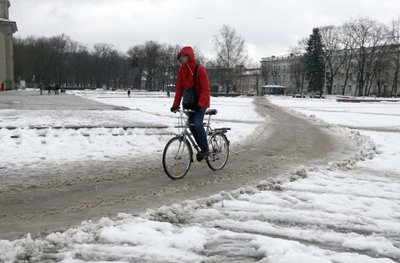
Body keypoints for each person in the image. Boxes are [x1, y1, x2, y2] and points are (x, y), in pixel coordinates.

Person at [170, 46, 210, 161]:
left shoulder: (200, 69)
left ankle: (205, 149)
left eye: (184, 56)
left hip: (201, 103)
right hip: (190, 103)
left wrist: (201, 104)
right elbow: (179, 89)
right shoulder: (181, 71)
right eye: (180, 57)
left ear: (189, 56)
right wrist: (175, 105)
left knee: (197, 124)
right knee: (192, 127)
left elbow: (206, 89)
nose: (181, 58)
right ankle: (202, 149)